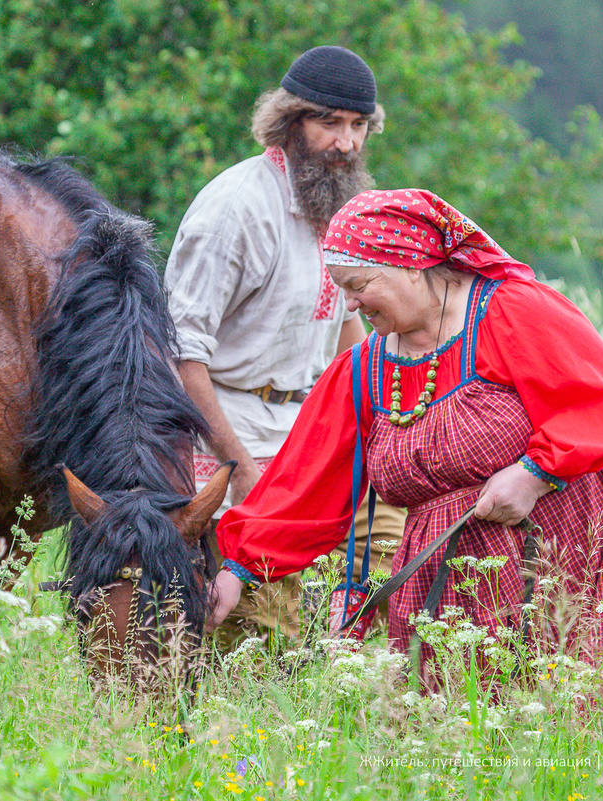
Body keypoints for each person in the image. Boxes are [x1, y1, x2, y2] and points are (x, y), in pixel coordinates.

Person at [208, 188, 603, 674]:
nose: (352, 305)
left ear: (410, 264)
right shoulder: (362, 371)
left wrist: (534, 474)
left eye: (358, 284)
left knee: (568, 707)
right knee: (447, 725)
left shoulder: (510, 310)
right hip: (445, 578)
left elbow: (594, 400)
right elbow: (304, 484)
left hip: (561, 540)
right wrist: (237, 569)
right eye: (343, 290)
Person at [164, 45, 406, 649]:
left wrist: (395, 423)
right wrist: (242, 473)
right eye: (329, 123)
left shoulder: (337, 209)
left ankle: (343, 696)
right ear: (289, 123)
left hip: (313, 430)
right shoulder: (234, 209)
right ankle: (248, 727)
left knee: (390, 571)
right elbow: (179, 356)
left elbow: (345, 326)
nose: (346, 143)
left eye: (358, 126)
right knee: (262, 635)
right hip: (232, 431)